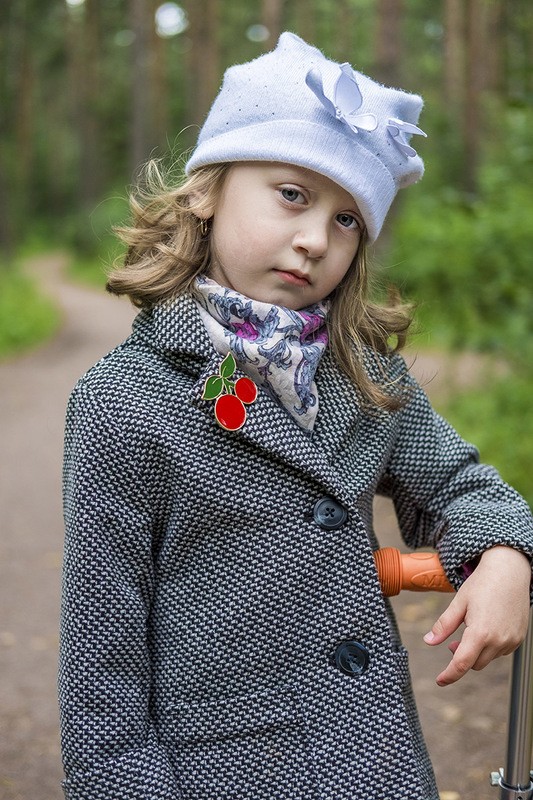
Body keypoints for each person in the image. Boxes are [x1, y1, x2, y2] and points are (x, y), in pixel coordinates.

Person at [59, 32, 533, 800]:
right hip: (223, 772)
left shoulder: (362, 375)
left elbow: (463, 487)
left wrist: (507, 552)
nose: (315, 238)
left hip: (377, 767)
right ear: (209, 190)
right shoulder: (124, 405)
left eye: (348, 219)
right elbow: (100, 685)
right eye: (292, 195)